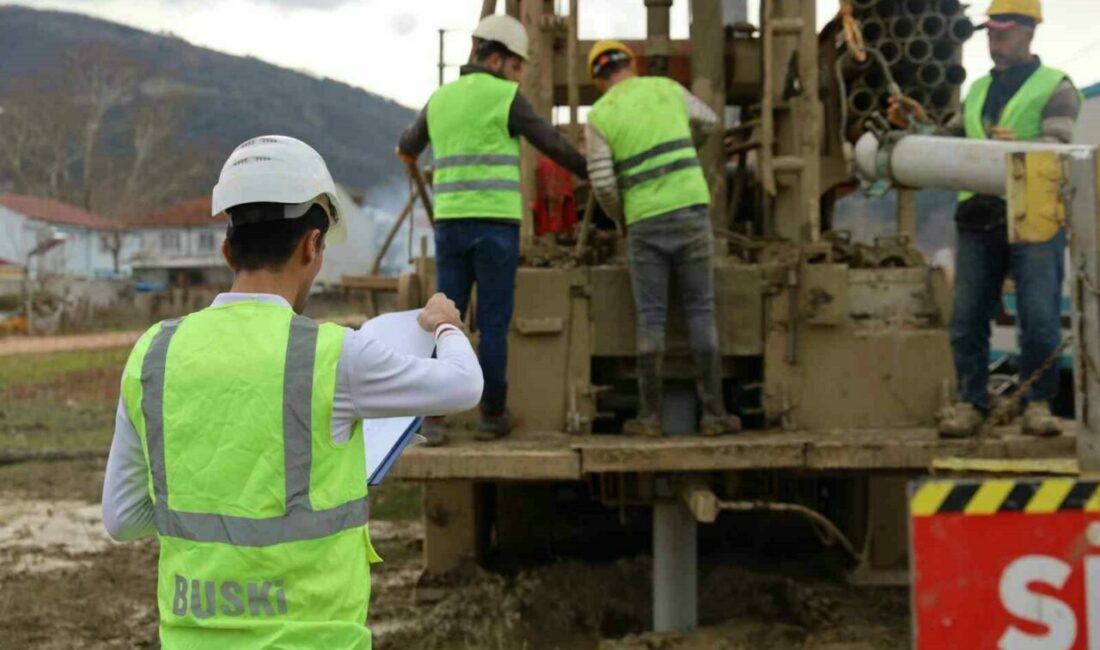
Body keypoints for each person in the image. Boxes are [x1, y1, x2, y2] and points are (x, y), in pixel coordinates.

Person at [101, 135, 483, 648]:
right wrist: (445, 324)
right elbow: (465, 384)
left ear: (227, 249)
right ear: (311, 246)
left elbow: (123, 518)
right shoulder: (332, 354)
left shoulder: (153, 353)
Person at [889, 0, 1080, 439]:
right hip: (978, 217)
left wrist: (1021, 146)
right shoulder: (977, 90)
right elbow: (949, 140)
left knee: (1039, 317)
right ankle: (971, 402)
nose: (995, 40)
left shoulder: (1056, 87)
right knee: (967, 320)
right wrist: (915, 129)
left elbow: (1059, 144)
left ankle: (1037, 404)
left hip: (1033, 216)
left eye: (1003, 32)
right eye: (991, 33)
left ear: (1028, 32)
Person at [397, 14, 588, 445]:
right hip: (497, 228)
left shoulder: (440, 99)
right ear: (497, 60)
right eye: (517, 66)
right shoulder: (507, 98)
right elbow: (551, 143)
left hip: (450, 226)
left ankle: (434, 420)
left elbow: (407, 147)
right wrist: (588, 170)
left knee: (445, 320)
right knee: (494, 325)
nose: (518, 76)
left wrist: (412, 157)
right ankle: (492, 415)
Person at [584, 40, 741, 438]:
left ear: (598, 81)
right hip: (691, 209)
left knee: (651, 319)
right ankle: (714, 416)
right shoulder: (666, 88)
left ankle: (650, 418)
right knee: (701, 312)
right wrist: (687, 147)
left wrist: (621, 218)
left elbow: (602, 183)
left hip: (644, 222)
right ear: (631, 64)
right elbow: (709, 121)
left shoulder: (600, 115)